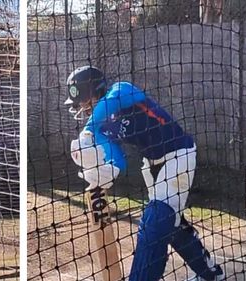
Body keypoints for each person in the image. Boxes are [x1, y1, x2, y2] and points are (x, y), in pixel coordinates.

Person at [65, 66, 225, 281]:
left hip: (178, 153)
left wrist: (87, 130)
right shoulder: (101, 128)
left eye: (84, 102)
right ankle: (210, 275)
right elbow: (116, 158)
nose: (83, 109)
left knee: (155, 222)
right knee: (171, 223)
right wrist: (104, 172)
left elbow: (109, 104)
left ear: (97, 91)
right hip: (151, 166)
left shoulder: (122, 91)